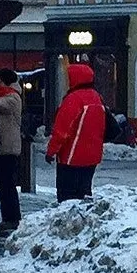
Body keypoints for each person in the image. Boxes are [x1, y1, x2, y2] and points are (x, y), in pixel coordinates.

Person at [46, 62, 106, 201]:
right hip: (92, 156)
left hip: (71, 157)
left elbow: (62, 130)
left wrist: (51, 151)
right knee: (84, 193)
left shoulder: (73, 99)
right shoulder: (96, 97)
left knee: (67, 196)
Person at [0, 67, 25, 231]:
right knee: (4, 183)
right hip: (4, 146)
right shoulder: (10, 94)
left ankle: (12, 217)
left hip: (9, 147)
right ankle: (10, 216)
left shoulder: (12, 97)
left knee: (6, 184)